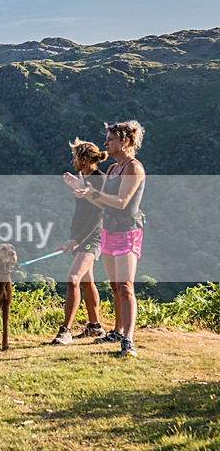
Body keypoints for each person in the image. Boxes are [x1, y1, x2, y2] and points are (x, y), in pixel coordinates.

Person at [74, 121, 146, 357]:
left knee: (126, 287)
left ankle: (129, 340)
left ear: (125, 141)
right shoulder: (114, 169)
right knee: (115, 286)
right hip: (109, 231)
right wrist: (84, 191)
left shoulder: (134, 168)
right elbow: (102, 201)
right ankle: (117, 331)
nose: (105, 144)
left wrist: (93, 192)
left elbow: (122, 202)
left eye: (110, 139)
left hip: (127, 232)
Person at [52, 138, 108, 345]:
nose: (71, 161)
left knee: (72, 279)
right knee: (86, 281)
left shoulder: (100, 180)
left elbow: (97, 216)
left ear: (84, 159)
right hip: (80, 236)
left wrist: (77, 240)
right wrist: (79, 185)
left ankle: (65, 330)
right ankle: (95, 327)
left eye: (74, 157)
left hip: (90, 238)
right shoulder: (86, 178)